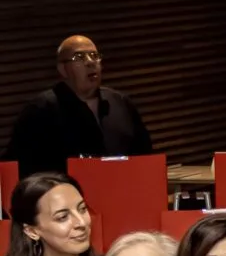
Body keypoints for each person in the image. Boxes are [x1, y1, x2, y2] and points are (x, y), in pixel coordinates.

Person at [9, 34, 153, 173]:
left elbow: (145, 156)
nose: (90, 62)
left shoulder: (121, 102)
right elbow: (24, 170)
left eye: (95, 56)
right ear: (63, 69)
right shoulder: (39, 111)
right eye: (79, 57)